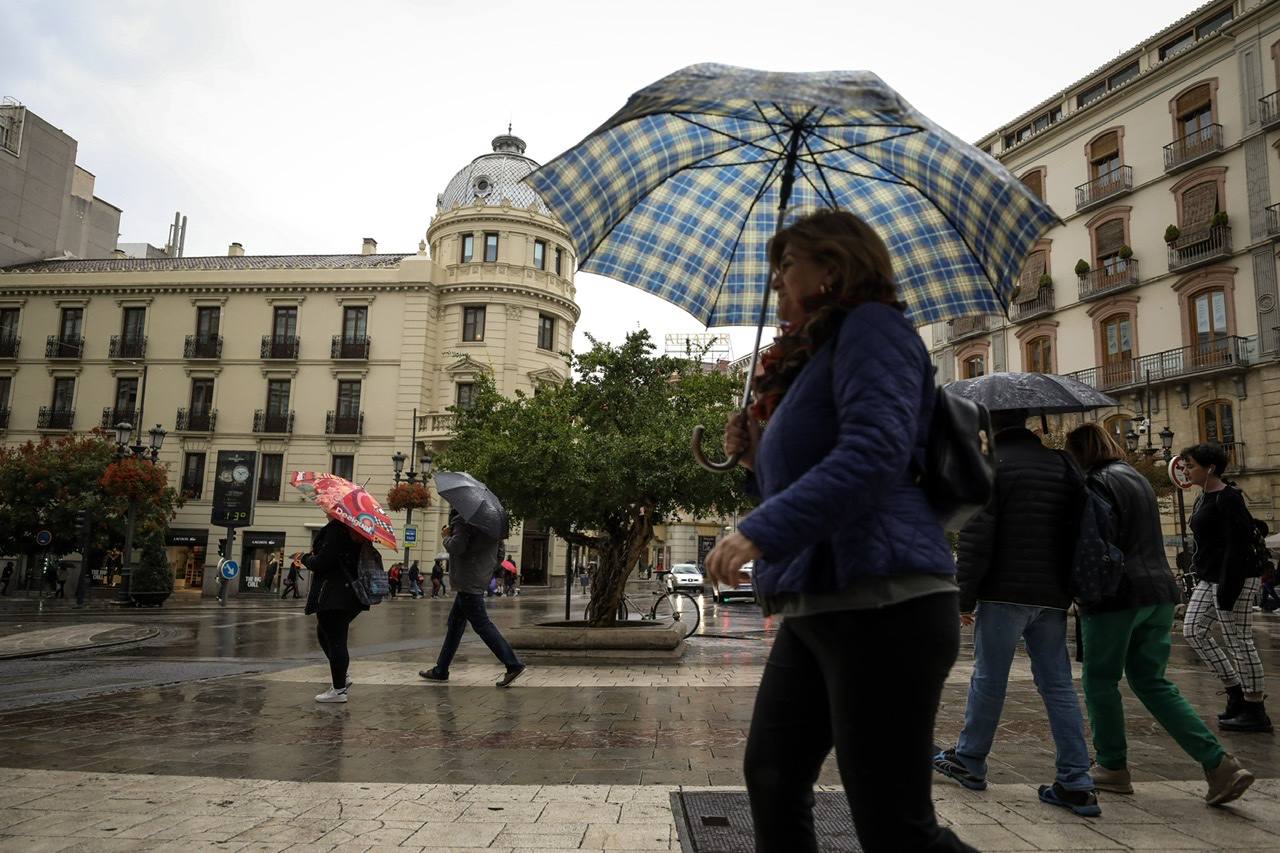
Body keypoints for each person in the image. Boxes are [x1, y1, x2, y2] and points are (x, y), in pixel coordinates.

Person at [704, 210, 972, 853]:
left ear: (831, 267)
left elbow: (874, 455)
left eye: (786, 266)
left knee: (894, 826)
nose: (777, 283)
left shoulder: (875, 329)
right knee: (771, 778)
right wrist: (752, 455)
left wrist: (759, 531)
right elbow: (803, 481)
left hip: (886, 603)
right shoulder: (808, 361)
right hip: (821, 601)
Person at [1065, 424, 1254, 806]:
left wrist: (1079, 589)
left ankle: (1112, 767)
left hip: (1117, 595)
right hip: (1158, 592)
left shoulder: (1095, 483)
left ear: (1079, 453)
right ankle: (1219, 764)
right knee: (1152, 682)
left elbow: (1092, 542)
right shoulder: (1135, 479)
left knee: (1100, 680)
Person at [933, 408, 1098, 816]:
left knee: (989, 679)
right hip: (1053, 594)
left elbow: (976, 536)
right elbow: (1081, 527)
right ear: (1027, 421)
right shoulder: (1063, 464)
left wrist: (963, 597)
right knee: (1058, 685)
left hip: (1003, 591)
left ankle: (970, 760)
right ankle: (1077, 780)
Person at [1180, 442, 1272, 732]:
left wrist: (1228, 589)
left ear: (1210, 468)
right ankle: (1234, 691)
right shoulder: (1203, 497)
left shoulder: (1229, 498)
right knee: (1193, 630)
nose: (1185, 469)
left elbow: (1239, 544)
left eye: (1191, 465)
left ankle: (1255, 708)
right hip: (1209, 577)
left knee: (1239, 640)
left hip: (1235, 578)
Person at [420, 508, 525, 688]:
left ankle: (513, 664)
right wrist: (484, 571)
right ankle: (441, 669)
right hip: (478, 579)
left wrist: (446, 536)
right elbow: (500, 555)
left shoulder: (462, 520)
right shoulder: (493, 525)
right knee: (455, 625)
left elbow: (457, 547)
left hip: (466, 581)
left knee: (482, 624)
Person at [303, 519, 370, 703]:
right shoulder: (357, 529)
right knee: (325, 633)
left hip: (333, 592)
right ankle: (342, 677)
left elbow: (323, 562)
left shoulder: (337, 529)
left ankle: (339, 689)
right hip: (349, 592)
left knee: (336, 639)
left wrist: (304, 559)